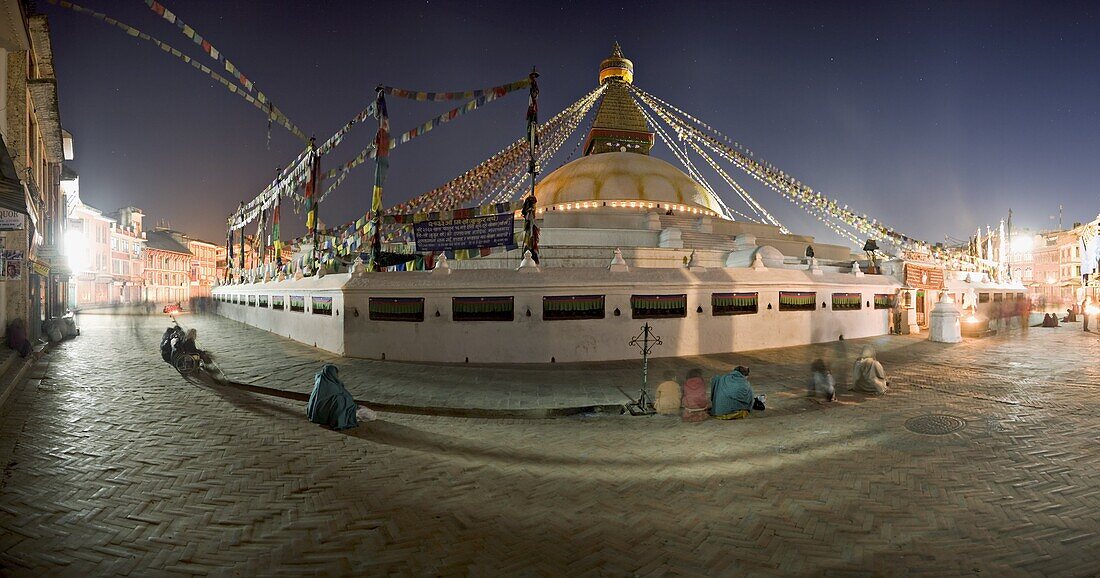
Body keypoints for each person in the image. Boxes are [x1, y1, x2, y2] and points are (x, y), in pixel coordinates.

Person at [306, 364, 360, 430]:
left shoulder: (320, 380)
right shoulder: (332, 385)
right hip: (324, 412)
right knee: (340, 401)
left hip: (316, 412)